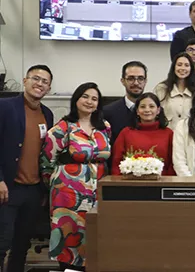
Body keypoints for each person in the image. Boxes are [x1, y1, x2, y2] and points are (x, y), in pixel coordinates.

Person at [40, 82, 111, 271]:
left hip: (97, 192)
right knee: (70, 237)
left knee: (94, 235)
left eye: (94, 99)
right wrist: (56, 186)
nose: (89, 102)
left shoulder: (104, 127)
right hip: (67, 194)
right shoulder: (62, 127)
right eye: (85, 97)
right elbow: (47, 162)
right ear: (76, 100)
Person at [0, 65, 54, 272]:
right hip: (8, 187)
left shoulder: (47, 114)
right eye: (35, 78)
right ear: (25, 80)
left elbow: (45, 153)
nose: (39, 84)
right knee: (2, 242)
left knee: (22, 245)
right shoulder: (5, 107)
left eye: (45, 82)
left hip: (33, 190)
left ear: (49, 88)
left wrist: (43, 188)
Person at [111, 92, 175, 176]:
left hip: (161, 182)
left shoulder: (168, 133)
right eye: (142, 107)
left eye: (151, 106)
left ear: (158, 110)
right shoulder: (126, 133)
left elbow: (173, 163)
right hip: (130, 183)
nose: (147, 110)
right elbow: (116, 162)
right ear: (137, 111)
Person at [105, 61, 148, 148]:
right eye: (131, 78)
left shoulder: (154, 112)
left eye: (140, 78)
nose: (136, 83)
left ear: (145, 81)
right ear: (123, 81)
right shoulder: (108, 112)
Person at [154, 52, 195, 128]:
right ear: (174, 67)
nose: (183, 68)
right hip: (167, 134)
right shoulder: (161, 89)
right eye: (179, 65)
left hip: (188, 135)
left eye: (186, 65)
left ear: (191, 68)